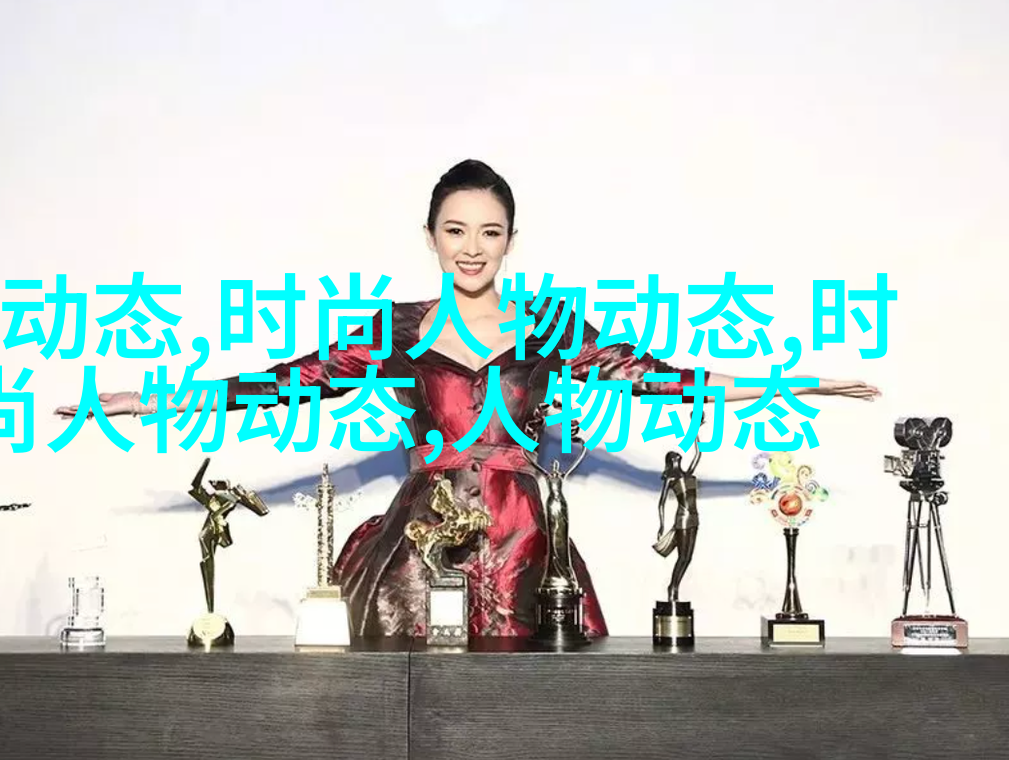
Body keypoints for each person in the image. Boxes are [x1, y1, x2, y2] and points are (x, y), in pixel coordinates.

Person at [55, 159, 879, 638]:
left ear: (511, 240)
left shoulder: (551, 323)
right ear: (431, 237)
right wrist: (142, 400)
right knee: (415, 702)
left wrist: (797, 382)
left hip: (523, 535)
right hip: (422, 540)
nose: (472, 247)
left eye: (490, 231)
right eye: (456, 230)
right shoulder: (397, 327)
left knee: (526, 709)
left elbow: (659, 375)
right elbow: (281, 381)